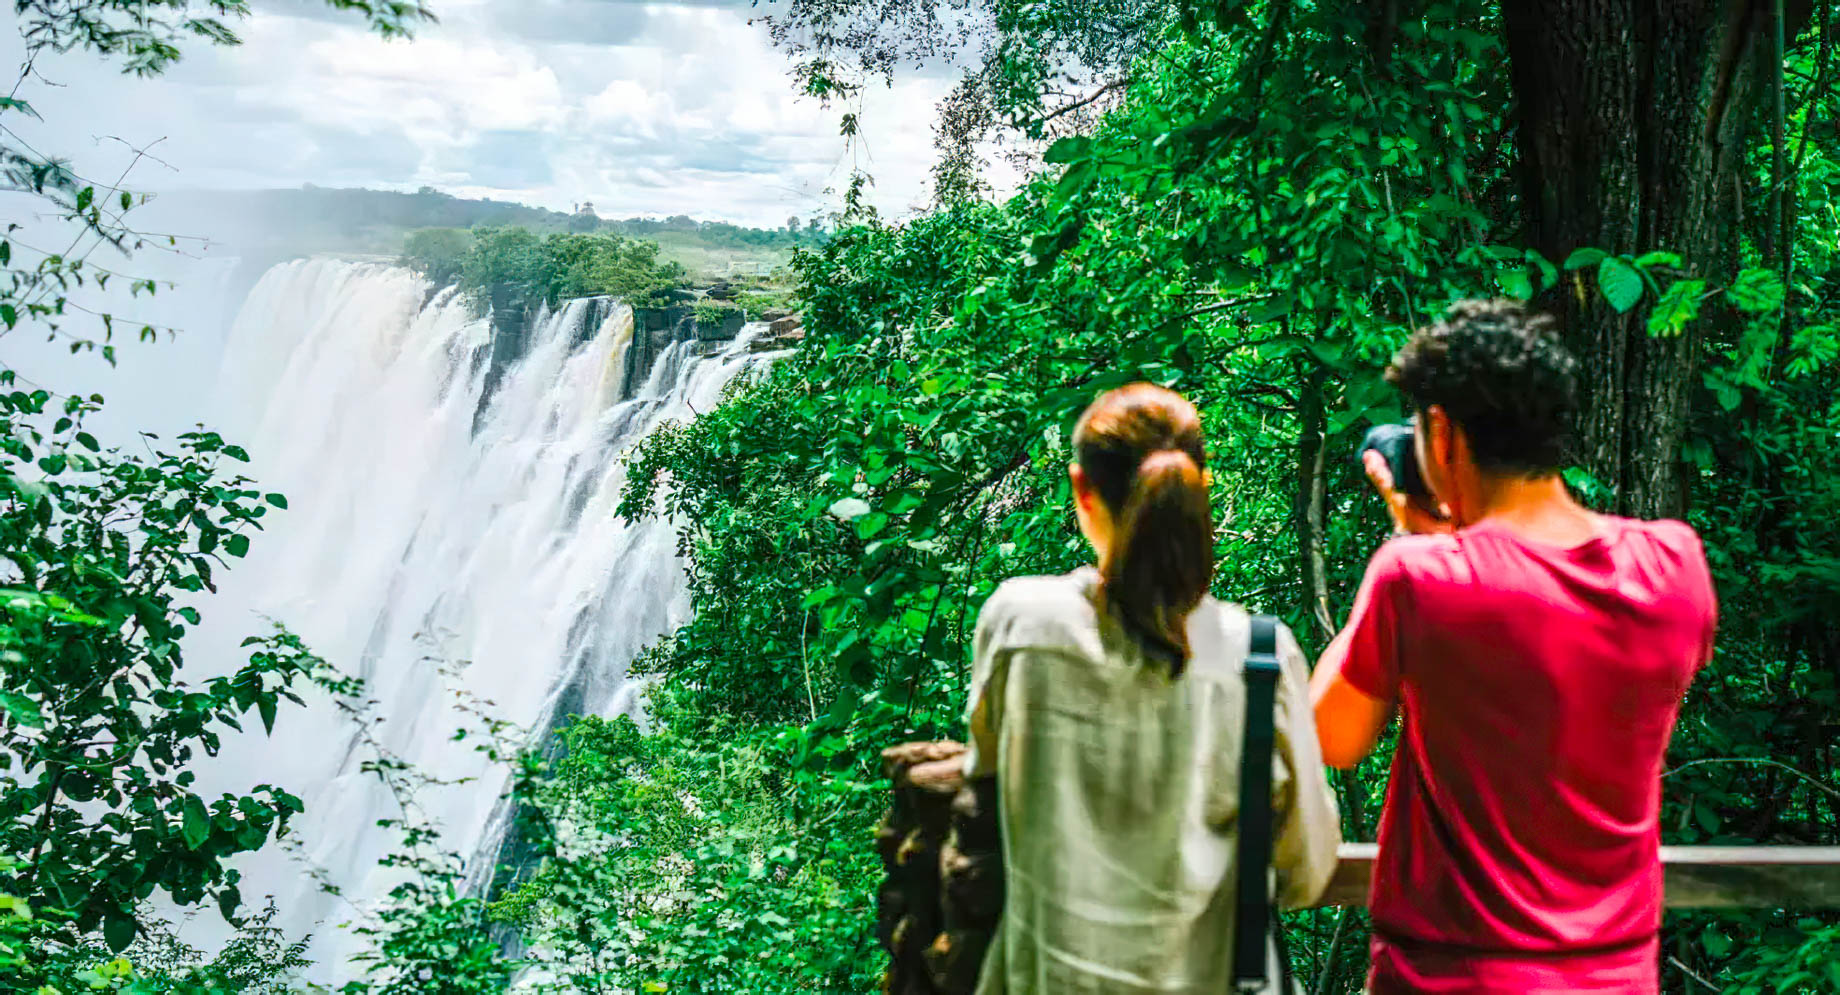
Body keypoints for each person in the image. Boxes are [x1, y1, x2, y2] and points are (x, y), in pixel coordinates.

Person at [1310, 300, 1718, 993]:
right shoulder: (1674, 566)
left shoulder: (1420, 577)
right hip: (1614, 975)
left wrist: (1416, 542)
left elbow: (1330, 735)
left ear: (1442, 435)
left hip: (1448, 978)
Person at [963, 382, 1341, 994]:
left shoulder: (1020, 623)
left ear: (1081, 491)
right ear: (1201, 486)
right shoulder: (1260, 655)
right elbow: (1306, 870)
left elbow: (984, 783)